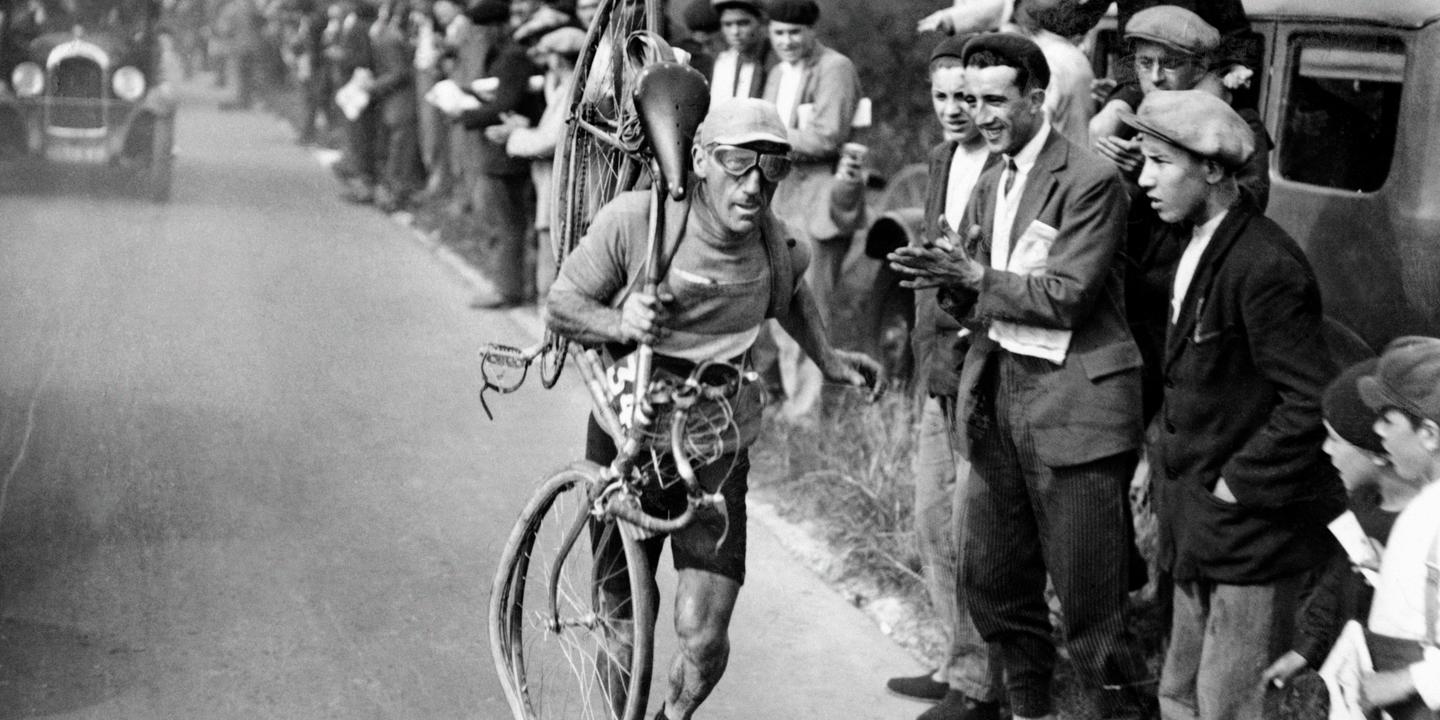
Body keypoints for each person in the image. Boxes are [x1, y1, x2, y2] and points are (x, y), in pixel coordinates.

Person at [544, 97, 881, 720]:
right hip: (631, 437)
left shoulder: (777, 246)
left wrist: (829, 360)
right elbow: (561, 305)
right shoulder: (637, 224)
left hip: (719, 444)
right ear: (700, 159)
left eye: (771, 168)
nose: (753, 185)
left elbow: (791, 297)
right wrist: (619, 319)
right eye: (736, 164)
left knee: (703, 638)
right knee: (621, 617)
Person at [889, 33, 1156, 720]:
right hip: (998, 397)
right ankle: (1027, 710)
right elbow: (974, 292)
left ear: (1039, 99)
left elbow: (1067, 293)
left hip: (1074, 407)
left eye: (996, 99)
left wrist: (975, 278)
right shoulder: (990, 178)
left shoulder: (1091, 180)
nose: (981, 114)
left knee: (1092, 609)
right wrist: (944, 281)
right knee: (994, 583)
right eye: (970, 99)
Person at [1120, 89, 1346, 720]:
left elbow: (1310, 400)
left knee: (1230, 704)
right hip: (1196, 521)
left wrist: (1236, 486)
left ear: (1213, 170)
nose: (1145, 181)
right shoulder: (1191, 242)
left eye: (1161, 164)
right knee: (1179, 694)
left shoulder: (1266, 264)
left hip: (1248, 532)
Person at [875, 35, 1005, 720]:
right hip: (937, 366)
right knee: (932, 521)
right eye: (945, 96)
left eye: (970, 97)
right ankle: (959, 661)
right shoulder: (939, 159)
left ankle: (982, 686)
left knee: (973, 530)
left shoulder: (1005, 167)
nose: (957, 110)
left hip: (982, 370)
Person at [1260, 359, 1410, 692]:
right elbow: (1338, 579)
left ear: (1377, 452)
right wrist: (1307, 649)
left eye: (1335, 439)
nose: (1326, 450)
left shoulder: (1426, 526)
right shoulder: (1360, 507)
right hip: (1357, 681)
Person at [760, 0, 862, 421]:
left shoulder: (835, 68)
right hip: (782, 197)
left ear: (811, 31)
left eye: (795, 33)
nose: (786, 41)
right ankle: (794, 402)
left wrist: (768, 133)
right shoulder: (776, 73)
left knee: (811, 305)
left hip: (818, 198)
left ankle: (808, 413)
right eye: (779, 33)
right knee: (780, 301)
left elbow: (827, 137)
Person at [1091, 5, 1270, 210]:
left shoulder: (1239, 124)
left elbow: (1248, 210)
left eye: (1170, 64)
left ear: (1199, 68)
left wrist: (1155, 172)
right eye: (1145, 63)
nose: (1156, 78)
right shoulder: (1132, 123)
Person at [1354, 337, 1440, 720]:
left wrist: (1408, 681)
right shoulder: (1428, 500)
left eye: (1388, 419)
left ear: (1429, 435)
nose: (1378, 430)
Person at [453, 0, 542, 308]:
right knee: (506, 222)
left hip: (505, 156)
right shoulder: (506, 55)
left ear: (497, 26)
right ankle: (510, 284)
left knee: (508, 224)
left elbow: (505, 103)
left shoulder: (512, 57)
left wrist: (465, 115)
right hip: (500, 152)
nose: (481, 37)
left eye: (483, 31)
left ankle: (508, 290)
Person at [487, 25, 585, 302]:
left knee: (552, 249)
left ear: (559, 57)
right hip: (549, 183)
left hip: (561, 186)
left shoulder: (571, 91)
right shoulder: (562, 87)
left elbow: (550, 140)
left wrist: (514, 135)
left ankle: (548, 316)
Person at [707, 0, 773, 102]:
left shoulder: (775, 62)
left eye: (743, 23)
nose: (735, 32)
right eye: (727, 24)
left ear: (760, 22)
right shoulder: (724, 62)